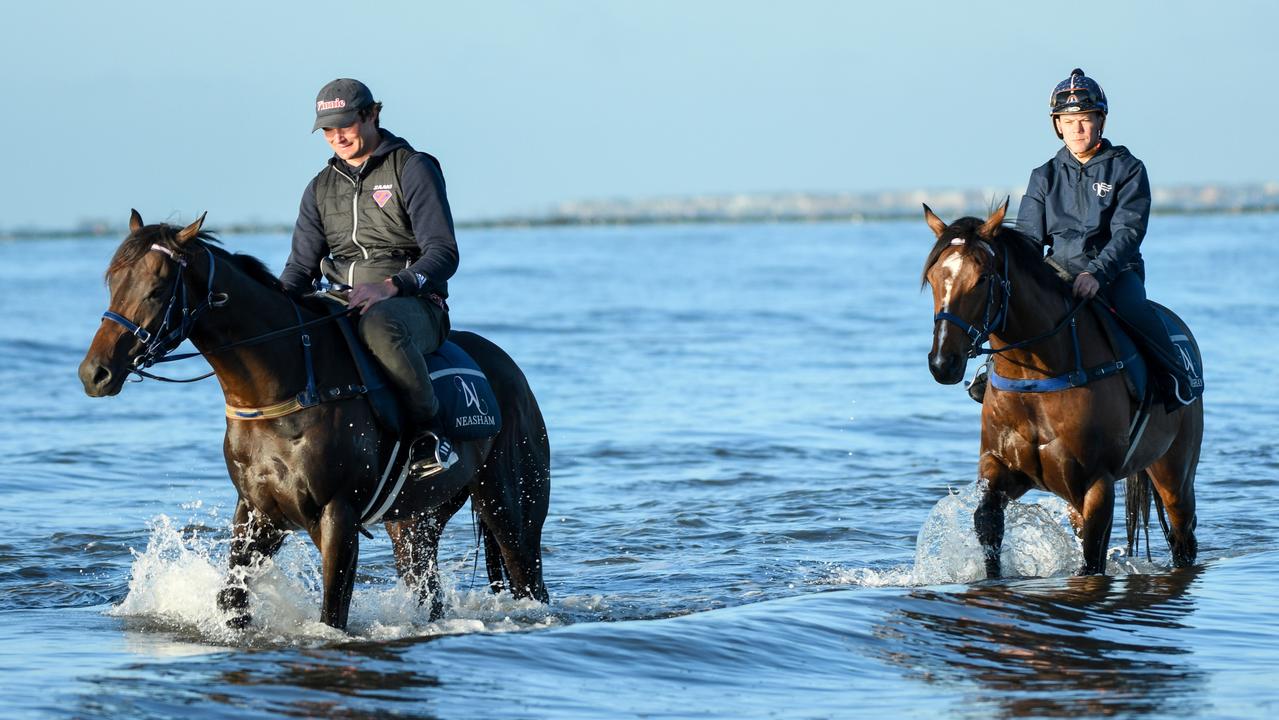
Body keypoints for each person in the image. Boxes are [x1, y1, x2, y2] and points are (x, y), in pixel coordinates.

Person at [280, 78, 459, 477]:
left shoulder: (413, 168)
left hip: (413, 305)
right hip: (339, 302)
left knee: (378, 325)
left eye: (345, 124)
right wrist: (273, 307)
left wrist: (391, 286)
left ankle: (429, 434)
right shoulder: (319, 189)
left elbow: (443, 254)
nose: (337, 136)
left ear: (372, 115)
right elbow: (299, 269)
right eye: (328, 129)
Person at [1013, 68, 1197, 407]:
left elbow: (1129, 231)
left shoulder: (1128, 169)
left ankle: (1175, 378)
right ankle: (989, 376)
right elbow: (1027, 238)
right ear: (1057, 126)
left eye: (1084, 119)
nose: (1077, 129)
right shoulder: (1043, 176)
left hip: (1115, 272)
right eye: (1068, 122)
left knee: (1133, 309)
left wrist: (1097, 273)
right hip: (1058, 272)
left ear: (1100, 120)